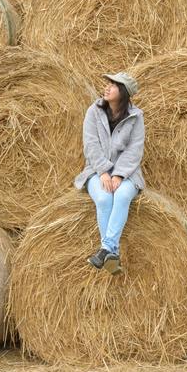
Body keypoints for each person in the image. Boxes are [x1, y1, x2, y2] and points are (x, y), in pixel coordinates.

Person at [74, 72, 145, 276]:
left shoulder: (136, 117)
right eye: (108, 84)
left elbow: (135, 150)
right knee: (104, 200)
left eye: (113, 85)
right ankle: (111, 251)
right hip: (96, 170)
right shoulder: (93, 111)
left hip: (128, 173)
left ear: (123, 93)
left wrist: (119, 174)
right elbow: (91, 144)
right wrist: (104, 171)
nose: (107, 87)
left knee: (122, 195)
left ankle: (105, 249)